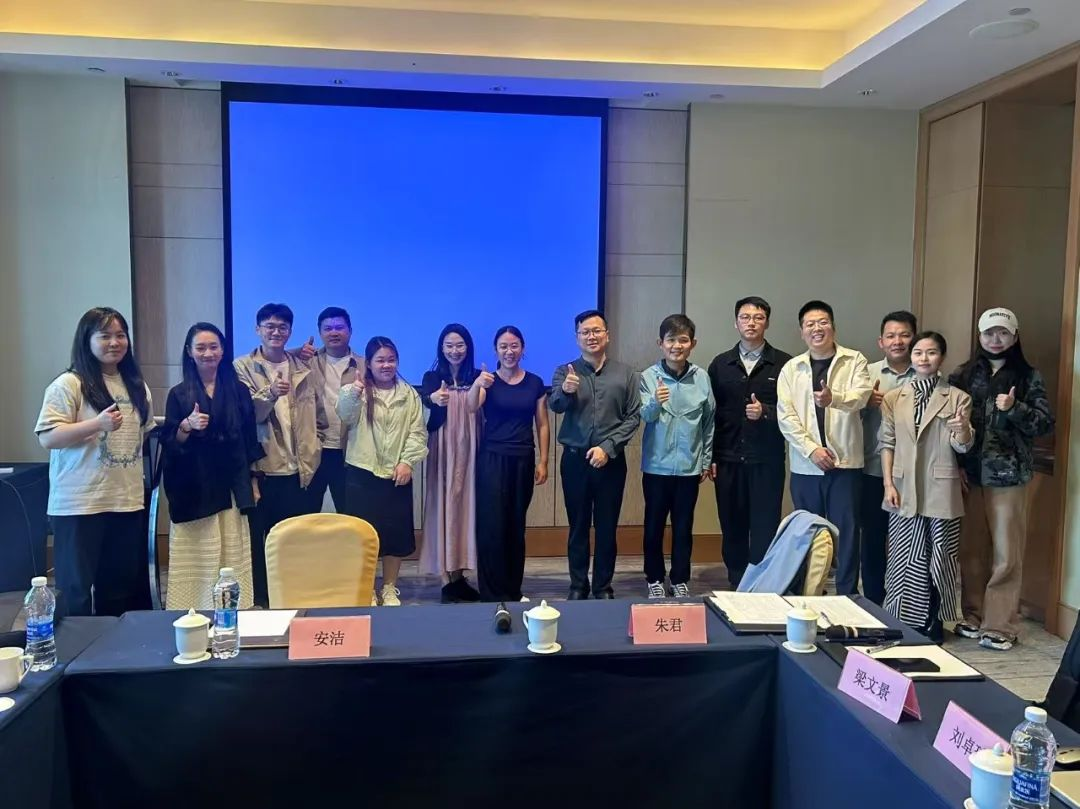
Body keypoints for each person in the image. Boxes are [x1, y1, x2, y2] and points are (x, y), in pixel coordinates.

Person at [35, 307, 154, 616]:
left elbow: (143, 435)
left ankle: (111, 645)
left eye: (120, 335)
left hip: (126, 501)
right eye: (105, 336)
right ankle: (75, 647)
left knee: (119, 590)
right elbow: (48, 437)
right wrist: (96, 424)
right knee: (74, 591)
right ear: (86, 340)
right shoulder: (69, 384)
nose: (114, 342)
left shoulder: (137, 385)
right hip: (79, 504)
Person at [949, 308, 1054, 650]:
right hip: (970, 474)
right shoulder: (963, 374)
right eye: (989, 333)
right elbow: (947, 425)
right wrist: (956, 464)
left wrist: (1014, 408)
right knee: (971, 549)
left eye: (1003, 333)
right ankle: (973, 614)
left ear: (1015, 336)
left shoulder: (1028, 376)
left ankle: (1000, 624)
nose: (996, 339)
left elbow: (1044, 423)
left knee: (1007, 553)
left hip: (1009, 477)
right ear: (979, 336)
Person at [879, 331, 973, 642]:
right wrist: (888, 483)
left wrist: (962, 430)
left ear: (941, 358)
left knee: (941, 556)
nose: (923, 358)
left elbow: (963, 446)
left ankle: (934, 619)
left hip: (941, 489)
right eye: (918, 352)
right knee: (905, 556)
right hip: (903, 487)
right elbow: (887, 443)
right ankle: (906, 621)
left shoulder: (958, 397)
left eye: (931, 352)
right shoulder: (894, 398)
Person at [162, 323, 263, 610]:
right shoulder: (179, 394)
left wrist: (254, 483)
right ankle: (194, 609)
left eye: (213, 347)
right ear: (189, 352)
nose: (208, 353)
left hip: (231, 486)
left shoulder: (239, 390)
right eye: (201, 347)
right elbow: (170, 442)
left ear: (222, 350)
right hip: (195, 488)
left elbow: (249, 440)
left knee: (232, 552)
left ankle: (235, 610)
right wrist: (186, 425)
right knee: (199, 556)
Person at [777, 300, 872, 596]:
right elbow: (786, 417)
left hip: (846, 464)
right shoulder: (792, 368)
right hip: (806, 466)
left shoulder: (854, 360)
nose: (817, 329)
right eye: (810, 324)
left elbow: (862, 396)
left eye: (823, 322)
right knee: (807, 533)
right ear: (801, 331)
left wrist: (834, 399)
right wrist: (812, 450)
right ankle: (809, 595)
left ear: (833, 326)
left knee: (847, 531)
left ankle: (847, 595)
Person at [234, 303, 327, 607]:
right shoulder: (242, 367)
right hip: (263, 470)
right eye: (269, 326)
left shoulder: (303, 366)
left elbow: (320, 415)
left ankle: (293, 597)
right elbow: (247, 415)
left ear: (290, 331)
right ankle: (262, 599)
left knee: (295, 540)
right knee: (260, 541)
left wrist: (316, 446)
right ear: (257, 329)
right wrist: (271, 393)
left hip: (300, 470)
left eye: (282, 327)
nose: (276, 332)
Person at [550, 310, 640, 599]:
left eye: (597, 331)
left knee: (606, 527)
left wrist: (607, 447)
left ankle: (603, 586)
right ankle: (578, 585)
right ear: (577, 337)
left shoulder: (626, 374)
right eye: (585, 332)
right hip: (575, 461)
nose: (591, 336)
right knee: (577, 527)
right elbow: (556, 406)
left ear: (607, 335)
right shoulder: (565, 371)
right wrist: (566, 390)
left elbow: (633, 416)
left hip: (610, 461)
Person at [707, 296, 792, 589]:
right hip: (728, 458)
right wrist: (711, 457)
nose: (751, 323)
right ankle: (737, 582)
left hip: (766, 459)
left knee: (765, 524)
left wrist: (766, 412)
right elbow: (711, 415)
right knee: (732, 523)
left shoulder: (784, 364)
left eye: (758, 317)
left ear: (767, 322)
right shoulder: (720, 364)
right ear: (736, 323)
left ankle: (762, 583)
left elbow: (795, 411)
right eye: (745, 317)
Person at [338, 337, 428, 606]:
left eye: (391, 360)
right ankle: (366, 589)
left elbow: (417, 433)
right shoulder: (354, 390)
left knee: (394, 534)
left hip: (396, 475)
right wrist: (354, 391)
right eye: (380, 360)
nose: (386, 365)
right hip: (362, 473)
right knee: (362, 536)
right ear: (369, 363)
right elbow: (345, 417)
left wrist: (407, 462)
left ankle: (389, 588)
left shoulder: (409, 394)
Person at [467, 326, 550, 602]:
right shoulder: (488, 381)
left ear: (522, 349)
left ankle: (513, 590)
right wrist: (478, 384)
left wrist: (544, 461)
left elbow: (543, 424)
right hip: (491, 459)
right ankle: (491, 592)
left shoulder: (535, 383)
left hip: (523, 459)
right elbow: (470, 407)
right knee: (491, 526)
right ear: (496, 350)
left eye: (514, 346)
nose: (509, 351)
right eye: (503, 346)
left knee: (515, 526)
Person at [639, 314, 714, 598]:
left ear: (693, 343)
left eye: (683, 340)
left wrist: (705, 460)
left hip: (689, 468)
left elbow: (709, 423)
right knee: (654, 526)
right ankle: (654, 578)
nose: (676, 346)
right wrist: (655, 402)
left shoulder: (702, 377)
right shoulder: (648, 376)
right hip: (656, 467)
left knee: (684, 527)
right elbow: (645, 416)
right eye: (671, 340)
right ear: (660, 343)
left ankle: (680, 578)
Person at [420, 324, 482, 603]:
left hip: (471, 449)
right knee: (443, 505)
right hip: (443, 449)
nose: (454, 351)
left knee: (466, 506)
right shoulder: (432, 377)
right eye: (449, 346)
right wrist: (432, 399)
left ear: (467, 347)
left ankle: (460, 575)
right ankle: (446, 580)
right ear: (441, 348)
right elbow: (424, 407)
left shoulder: (478, 376)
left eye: (459, 345)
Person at [859, 311, 917, 605]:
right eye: (891, 336)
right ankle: (873, 602)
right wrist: (864, 402)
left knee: (909, 542)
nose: (898, 341)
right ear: (880, 342)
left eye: (904, 335)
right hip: (871, 470)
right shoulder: (866, 373)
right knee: (872, 538)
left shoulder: (926, 373)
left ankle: (904, 603)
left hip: (913, 473)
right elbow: (843, 418)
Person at [306, 307, 363, 512]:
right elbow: (278, 355)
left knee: (350, 512)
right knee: (307, 511)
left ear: (350, 330)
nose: (334, 332)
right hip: (314, 449)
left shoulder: (363, 365)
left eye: (339, 327)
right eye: (328, 328)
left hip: (349, 450)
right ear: (320, 332)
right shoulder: (306, 362)